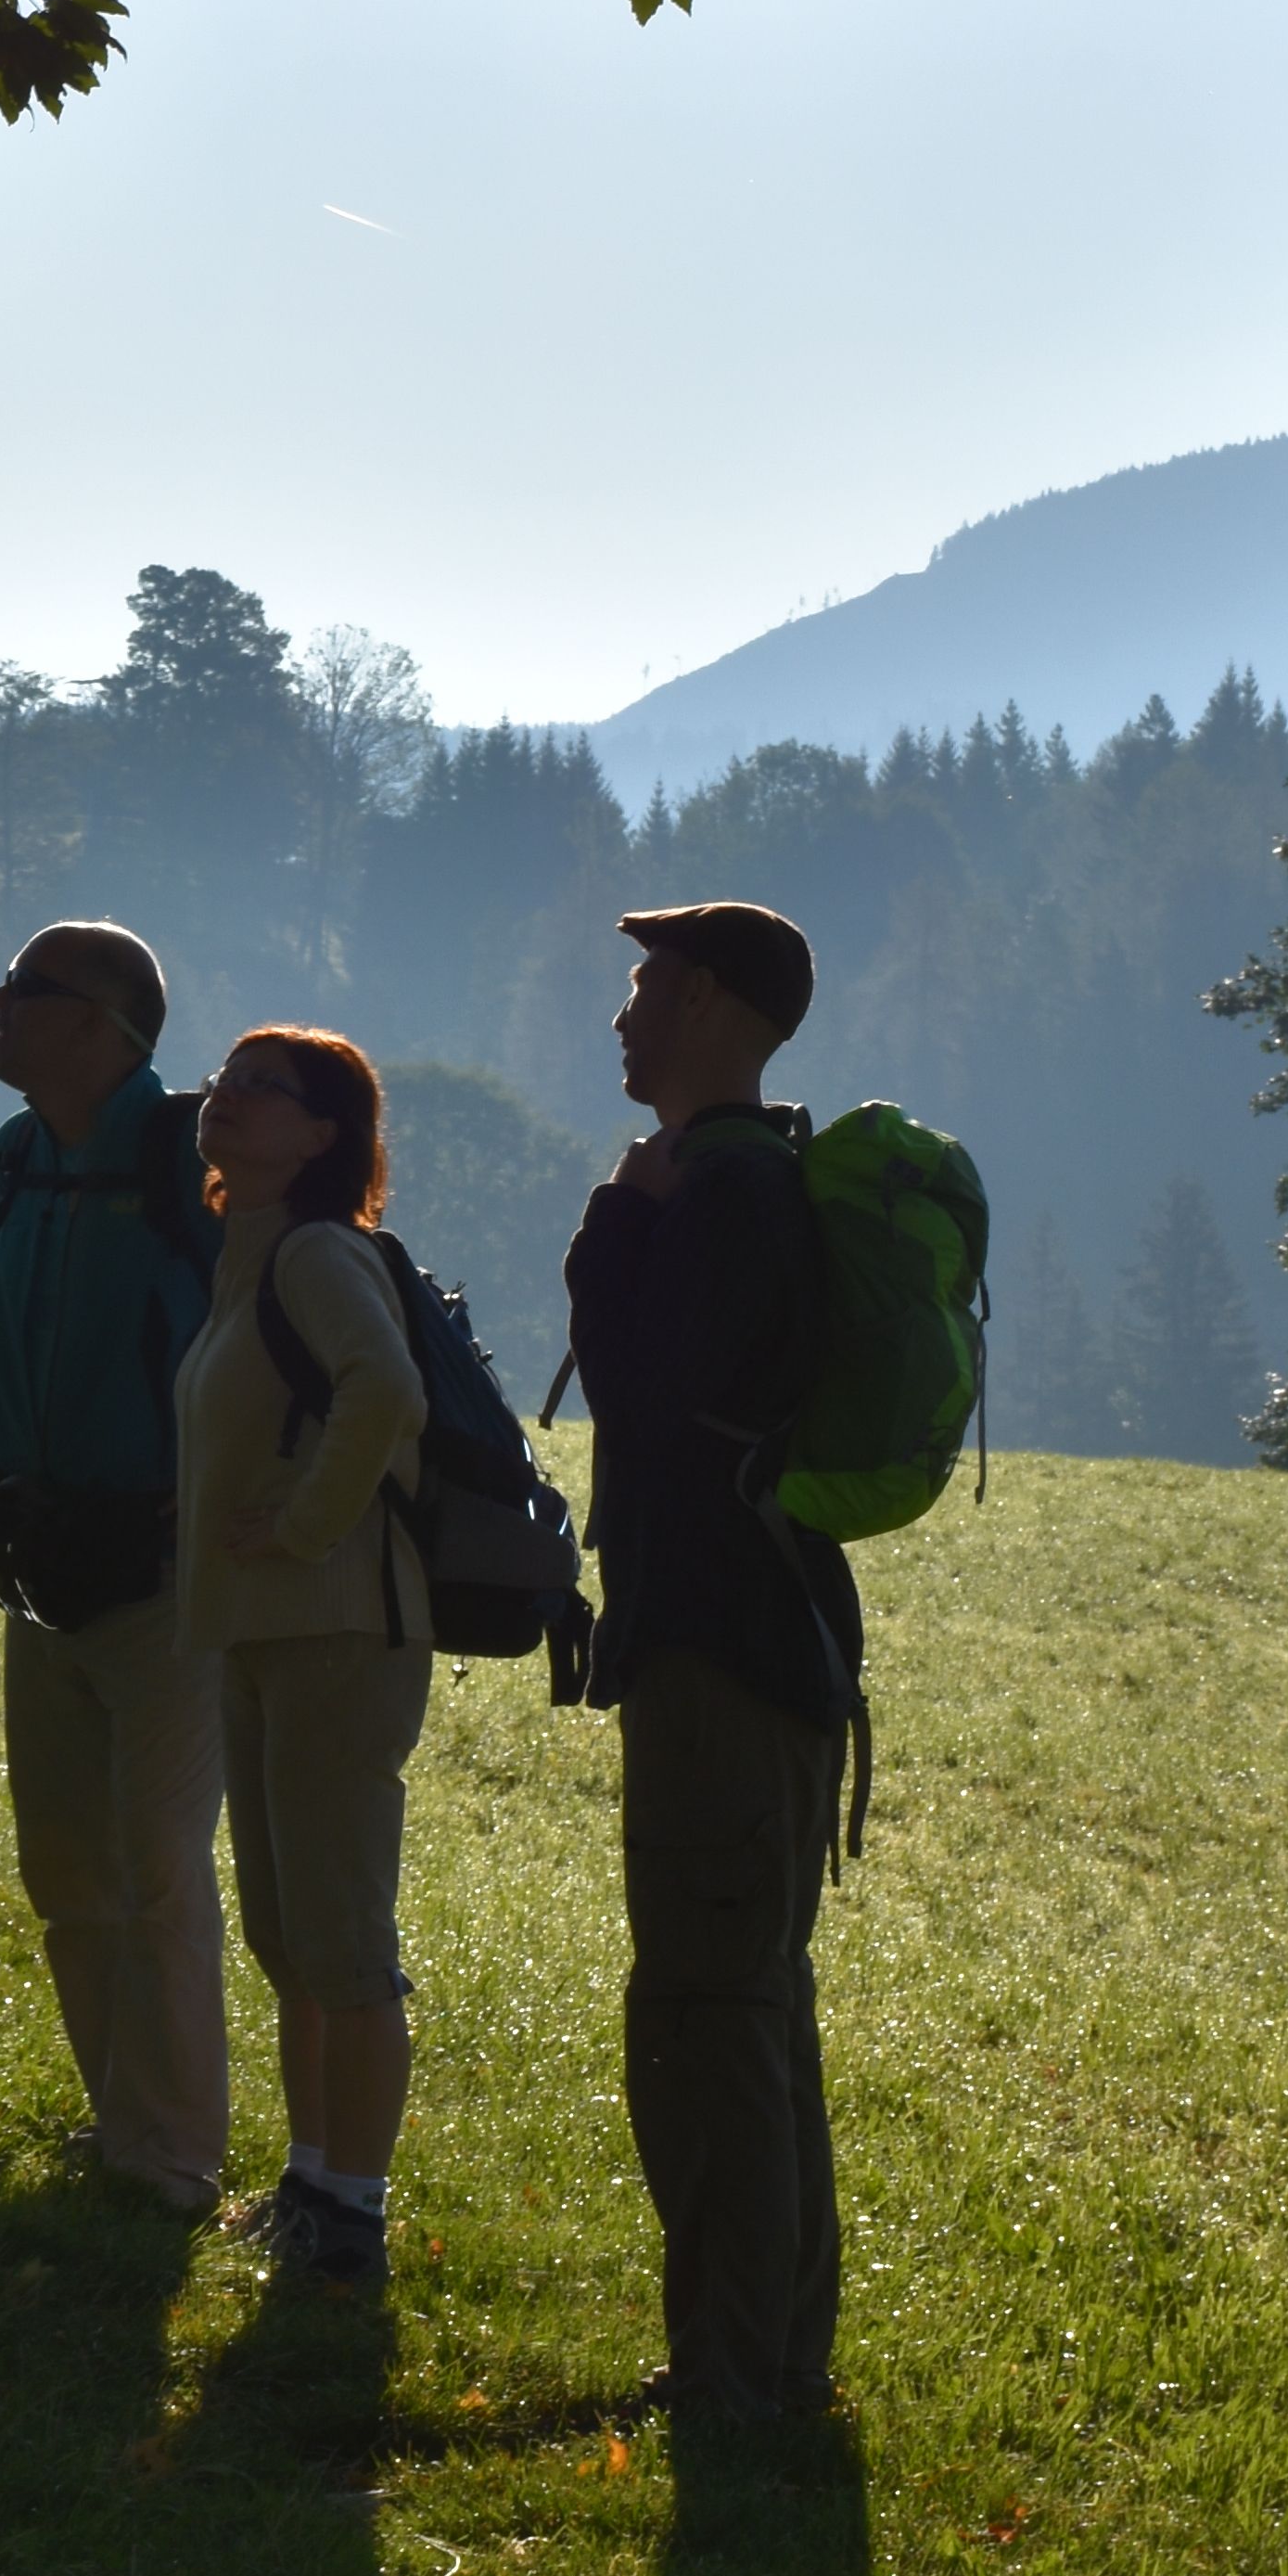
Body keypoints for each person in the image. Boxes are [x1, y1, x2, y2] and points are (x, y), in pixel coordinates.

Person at [561, 897, 861, 2428]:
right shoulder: (758, 1179)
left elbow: (646, 1399)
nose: (623, 1015)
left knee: (708, 2012)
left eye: (648, 987)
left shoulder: (722, 1197)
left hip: (723, 1661)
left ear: (715, 1007)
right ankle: (772, 2363)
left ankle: (740, 2381)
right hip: (762, 1648)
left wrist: (614, 1223)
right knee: (748, 2002)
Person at [0, 921, 228, 2217]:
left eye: (30, 990)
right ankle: (121, 2123)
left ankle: (170, 2160)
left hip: (174, 1574)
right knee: (66, 1864)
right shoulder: (9, 1165)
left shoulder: (193, 1163)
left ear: (107, 1027)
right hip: (40, 1559)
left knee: (160, 1867)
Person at [174, 1025, 433, 2288]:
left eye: (263, 1090)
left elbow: (385, 1392)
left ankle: (355, 2214)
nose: (228, 1101)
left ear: (325, 1135)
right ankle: (312, 2181)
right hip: (265, 1630)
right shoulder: (254, 1257)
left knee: (337, 1931)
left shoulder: (324, 1253)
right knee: (286, 1930)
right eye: (226, 1082)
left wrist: (300, 1525)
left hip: (337, 1628)